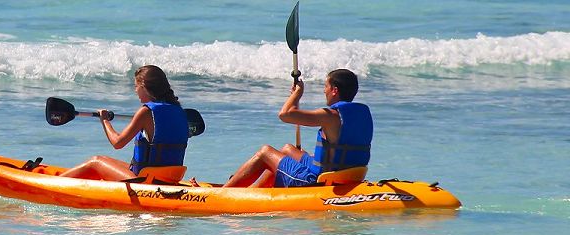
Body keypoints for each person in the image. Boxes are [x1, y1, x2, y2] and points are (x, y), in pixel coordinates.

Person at [220, 69, 373, 187]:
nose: (323, 91)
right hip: (349, 174)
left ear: (334, 90)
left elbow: (285, 114)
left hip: (316, 181)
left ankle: (225, 192)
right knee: (287, 149)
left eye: (326, 86)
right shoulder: (363, 112)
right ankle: (256, 192)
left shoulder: (330, 116)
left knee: (265, 152)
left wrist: (297, 94)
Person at [59, 65, 189, 182]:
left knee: (96, 161)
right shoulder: (179, 110)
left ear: (143, 86)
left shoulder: (146, 112)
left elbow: (118, 142)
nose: (135, 91)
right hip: (170, 178)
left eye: (136, 86)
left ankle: (53, 184)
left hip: (146, 181)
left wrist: (104, 120)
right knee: (106, 161)